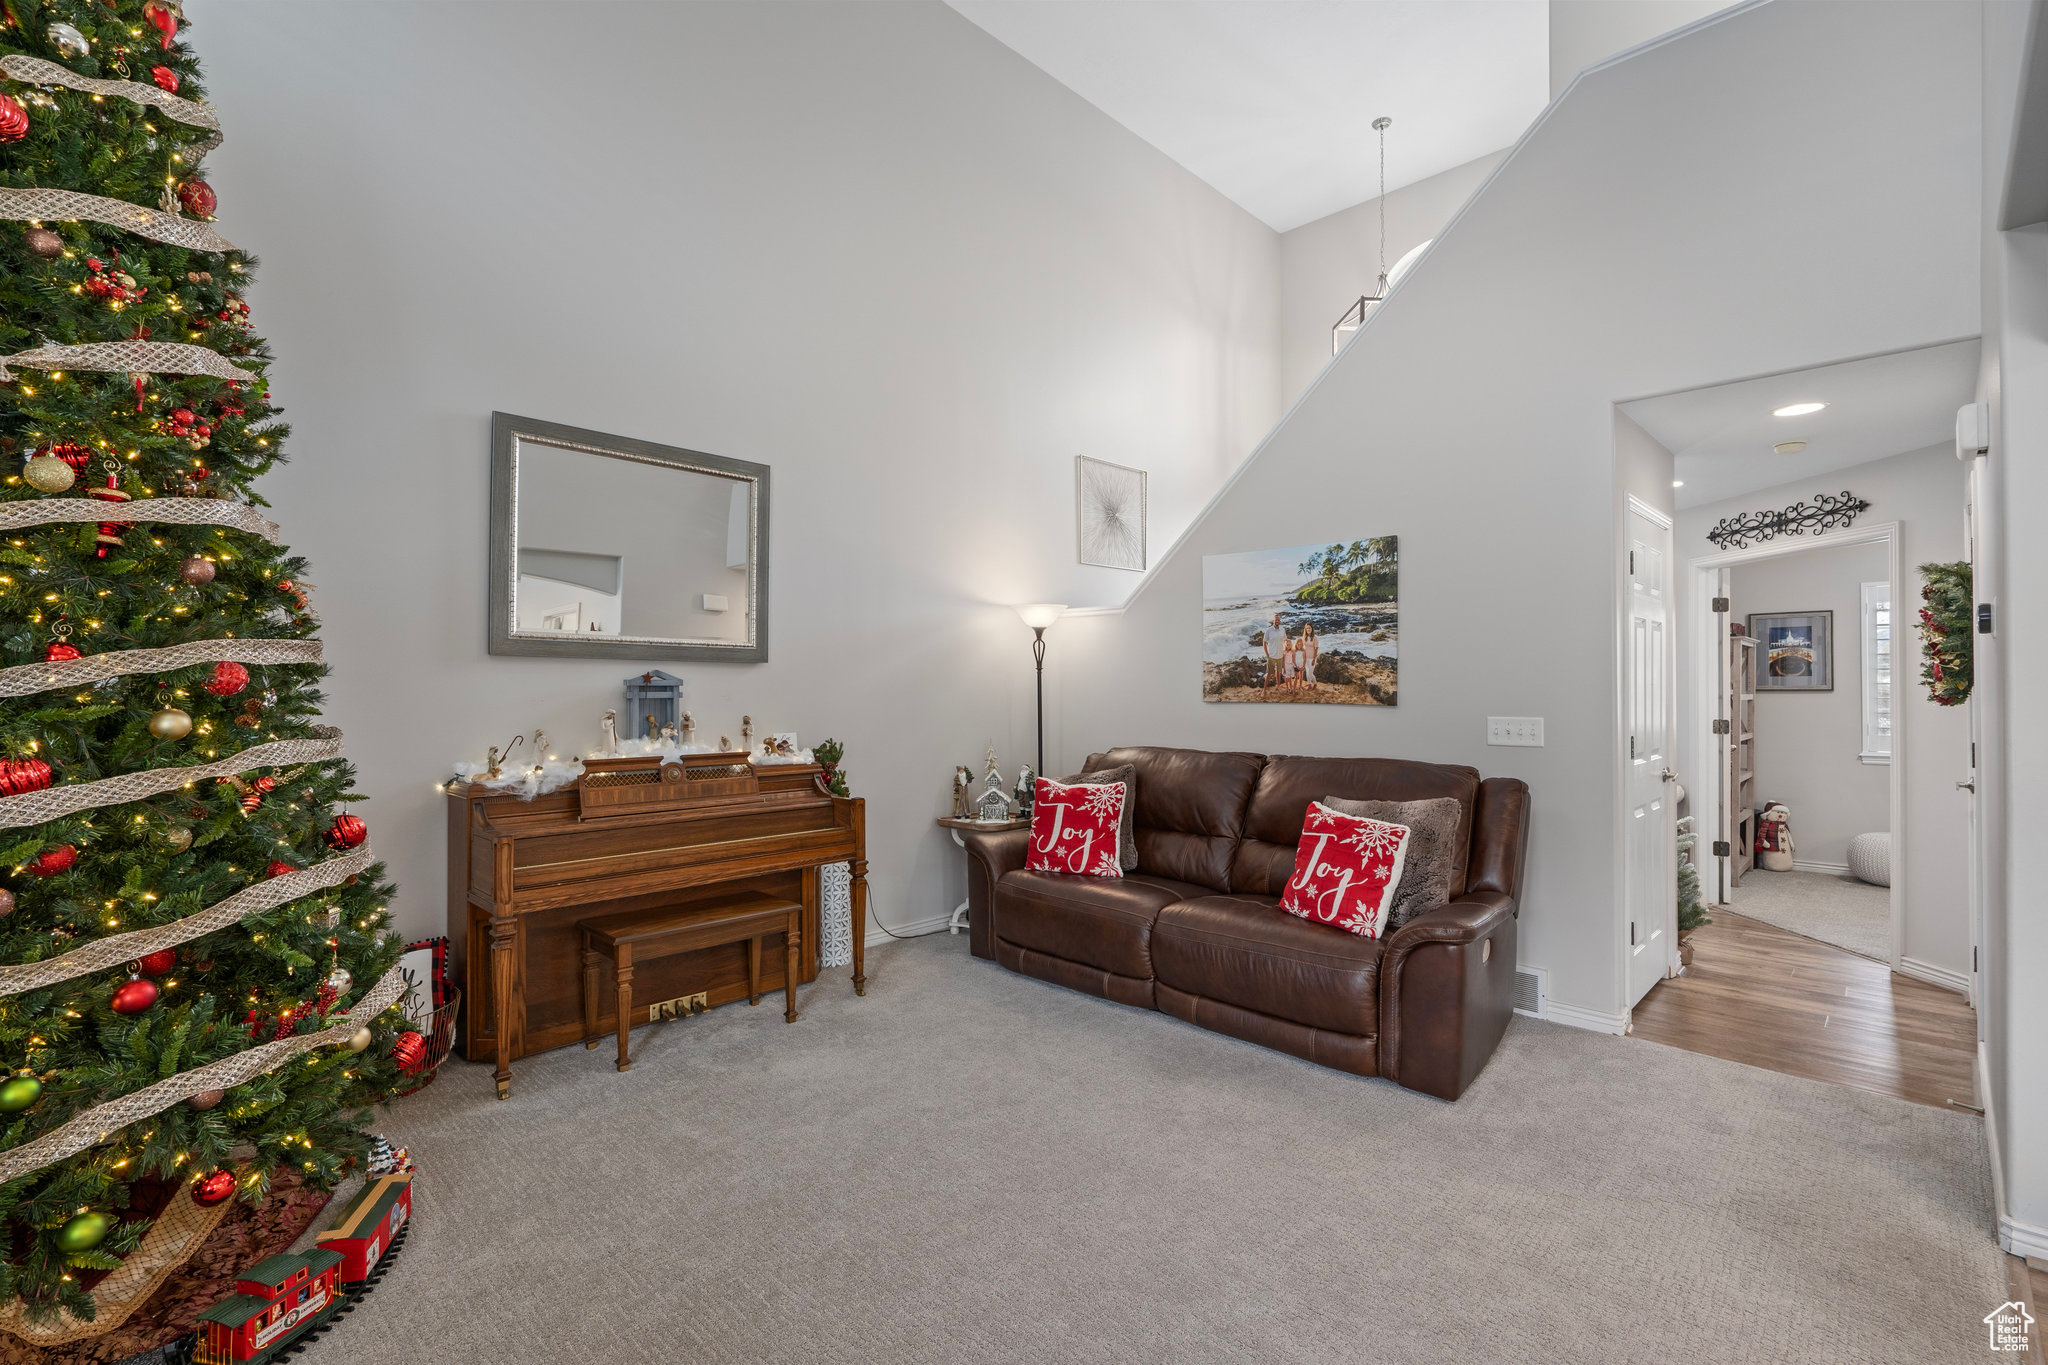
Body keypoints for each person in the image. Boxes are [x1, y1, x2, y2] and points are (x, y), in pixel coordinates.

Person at [1262, 613, 1285, 692]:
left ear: (1280, 621)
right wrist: (1267, 655)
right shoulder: (1268, 630)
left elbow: (1285, 640)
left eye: (1278, 620)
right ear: (1273, 621)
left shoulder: (1282, 629)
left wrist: (1285, 651)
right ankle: (1264, 690)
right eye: (1276, 620)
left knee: (1278, 672)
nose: (1277, 621)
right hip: (1271, 655)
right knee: (1269, 673)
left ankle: (1278, 686)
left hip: (1280, 655)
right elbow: (1264, 642)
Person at [1303, 624, 1320, 689]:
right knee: (1307, 671)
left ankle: (1310, 684)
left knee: (1310, 672)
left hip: (1312, 658)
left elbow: (1316, 649)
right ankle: (1313, 684)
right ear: (1305, 629)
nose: (1308, 629)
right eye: (1307, 628)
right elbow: (1303, 648)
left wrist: (1314, 659)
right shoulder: (1305, 637)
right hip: (1306, 657)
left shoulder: (1315, 638)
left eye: (1309, 628)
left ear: (1312, 629)